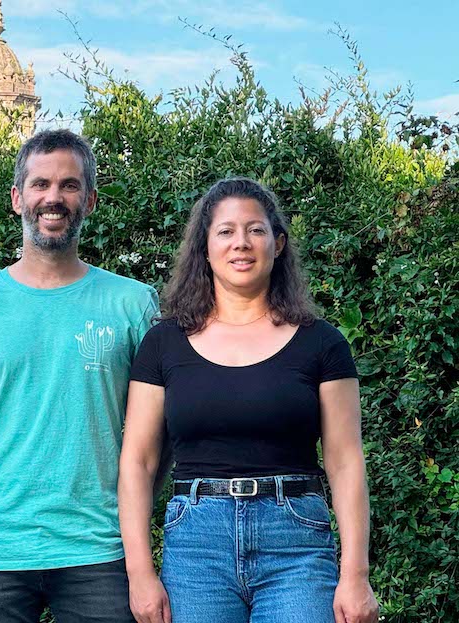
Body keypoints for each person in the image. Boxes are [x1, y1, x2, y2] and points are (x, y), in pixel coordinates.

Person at [120, 177, 380, 623]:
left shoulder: (322, 343)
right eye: (225, 231)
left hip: (296, 545)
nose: (241, 242)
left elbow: (345, 461)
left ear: (278, 244)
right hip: (197, 548)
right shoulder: (162, 344)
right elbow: (138, 461)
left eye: (255, 230)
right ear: (205, 249)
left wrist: (356, 574)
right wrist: (139, 573)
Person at [0, 129, 159, 622]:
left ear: (91, 200)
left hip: (99, 546)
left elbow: (167, 430)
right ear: (18, 198)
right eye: (40, 184)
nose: (53, 197)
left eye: (69, 185)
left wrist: (135, 511)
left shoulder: (133, 305)